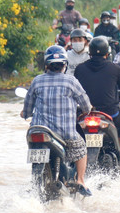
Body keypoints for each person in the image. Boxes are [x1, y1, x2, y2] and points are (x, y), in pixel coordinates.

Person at [21, 45, 93, 196]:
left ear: (46, 65)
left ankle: (35, 187)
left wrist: (25, 113)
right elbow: (86, 106)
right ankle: (80, 180)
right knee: (81, 149)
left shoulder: (37, 81)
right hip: (65, 133)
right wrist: (86, 110)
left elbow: (27, 108)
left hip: (39, 130)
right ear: (64, 65)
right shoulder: (71, 81)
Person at [73, 36, 120, 161]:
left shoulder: (79, 69)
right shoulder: (114, 68)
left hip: (85, 114)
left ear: (89, 52)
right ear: (107, 53)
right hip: (110, 114)